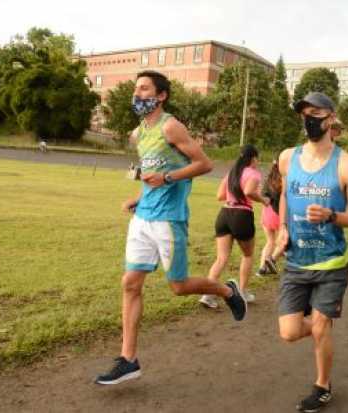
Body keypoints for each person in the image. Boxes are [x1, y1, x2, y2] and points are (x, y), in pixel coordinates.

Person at [95, 71, 247, 385]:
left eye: (144, 88)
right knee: (130, 283)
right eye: (136, 89)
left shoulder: (170, 126)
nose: (137, 94)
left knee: (177, 286)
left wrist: (167, 179)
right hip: (143, 219)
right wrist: (138, 197)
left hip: (169, 219)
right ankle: (128, 359)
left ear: (161, 95)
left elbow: (204, 165)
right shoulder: (138, 134)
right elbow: (150, 173)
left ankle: (227, 291)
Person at [277, 92, 348, 412]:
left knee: (320, 326)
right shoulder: (287, 157)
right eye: (304, 113)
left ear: (330, 117)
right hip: (296, 261)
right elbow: (285, 195)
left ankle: (322, 385)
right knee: (288, 332)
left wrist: (331, 215)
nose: (308, 118)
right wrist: (283, 228)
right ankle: (317, 323)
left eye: (315, 112)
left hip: (332, 262)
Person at [199, 144, 269, 308]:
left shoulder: (231, 173)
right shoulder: (253, 173)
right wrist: (263, 200)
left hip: (224, 214)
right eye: (257, 158)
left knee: (221, 258)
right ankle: (243, 292)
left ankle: (207, 295)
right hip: (242, 215)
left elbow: (220, 195)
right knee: (248, 255)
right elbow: (249, 192)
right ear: (253, 158)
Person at [256, 160, 283, 277]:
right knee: (284, 241)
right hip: (279, 214)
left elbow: (263, 195)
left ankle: (262, 269)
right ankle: (272, 259)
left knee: (270, 241)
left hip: (267, 213)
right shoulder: (284, 179)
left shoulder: (268, 179)